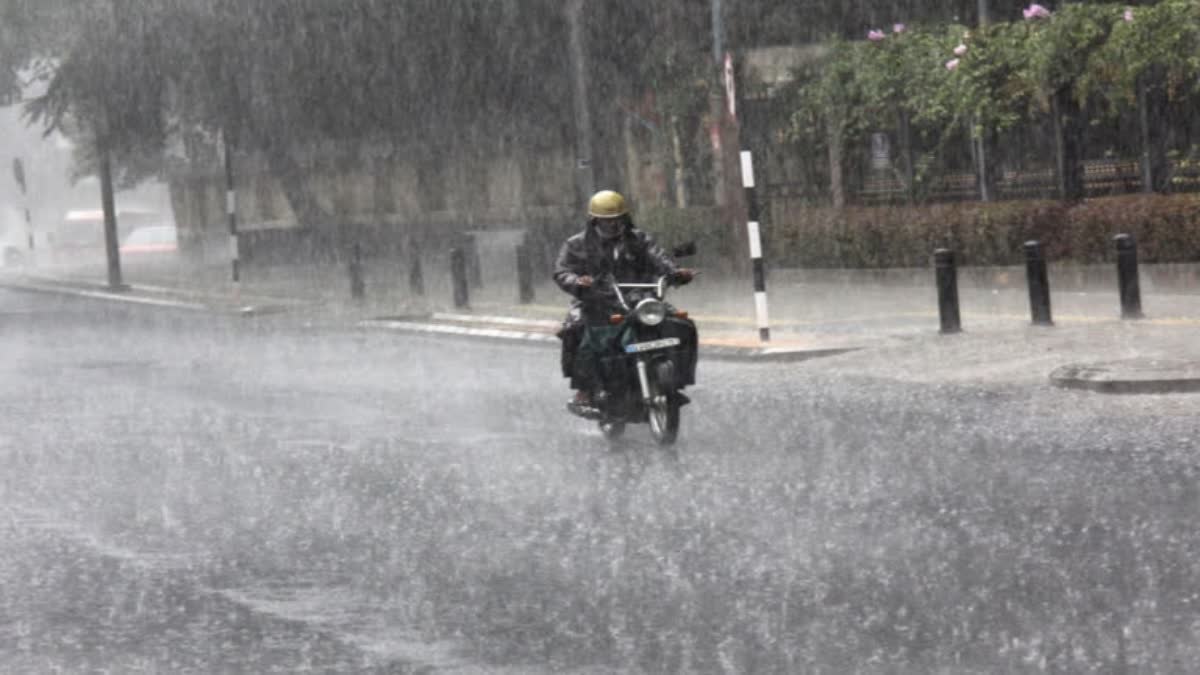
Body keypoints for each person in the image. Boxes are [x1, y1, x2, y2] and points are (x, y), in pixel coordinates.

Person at [554, 190, 695, 408]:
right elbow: (562, 271)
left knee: (681, 325)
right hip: (597, 300)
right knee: (577, 330)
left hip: (640, 298)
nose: (612, 224)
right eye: (606, 220)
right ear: (595, 220)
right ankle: (585, 390)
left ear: (624, 217)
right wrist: (577, 282)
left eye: (616, 219)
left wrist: (676, 273)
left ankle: (675, 381)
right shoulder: (576, 244)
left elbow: (659, 258)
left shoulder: (639, 239)